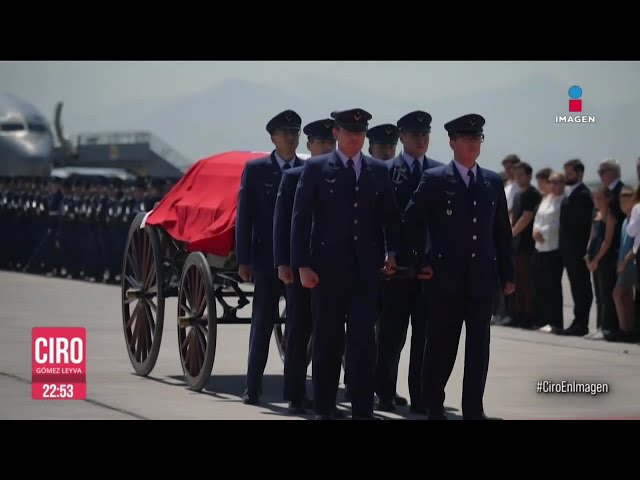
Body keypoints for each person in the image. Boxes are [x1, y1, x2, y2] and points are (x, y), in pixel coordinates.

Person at [290, 108, 400, 420]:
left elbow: (390, 216)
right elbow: (300, 219)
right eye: (349, 132)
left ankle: (362, 408)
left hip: (366, 272)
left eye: (360, 132)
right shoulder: (316, 169)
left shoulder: (378, 171)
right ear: (337, 134)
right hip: (326, 271)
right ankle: (325, 407)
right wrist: (302, 265)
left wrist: (392, 252)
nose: (355, 137)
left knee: (364, 341)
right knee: (327, 340)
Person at [404, 113, 515, 420]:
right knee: (441, 345)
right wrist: (421, 259)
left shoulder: (491, 181)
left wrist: (508, 273)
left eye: (477, 138)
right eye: (466, 138)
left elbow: (501, 232)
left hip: (481, 279)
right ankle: (434, 403)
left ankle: (473, 407)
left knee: (479, 347)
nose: (472, 144)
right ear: (452, 142)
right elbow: (411, 220)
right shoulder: (436, 179)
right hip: (444, 279)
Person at [235, 109, 305, 405]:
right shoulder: (256, 169)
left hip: (297, 259)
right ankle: (253, 387)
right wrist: (243, 259)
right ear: (273, 138)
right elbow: (245, 216)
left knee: (298, 328)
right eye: (285, 134)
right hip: (265, 261)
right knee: (262, 323)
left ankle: (294, 392)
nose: (291, 138)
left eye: (295, 133)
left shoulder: (307, 169)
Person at [375, 110, 442, 414]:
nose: (421, 140)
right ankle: (385, 391)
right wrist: (385, 256)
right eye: (415, 135)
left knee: (425, 339)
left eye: (425, 134)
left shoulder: (441, 172)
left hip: (427, 269)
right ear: (402, 137)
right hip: (395, 269)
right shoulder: (385, 171)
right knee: (391, 336)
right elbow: (379, 220)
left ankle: (421, 396)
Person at [273, 118, 336, 415]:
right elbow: (283, 223)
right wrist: (284, 263)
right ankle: (295, 393)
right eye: (320, 142)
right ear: (309, 145)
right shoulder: (294, 176)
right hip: (300, 267)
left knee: (331, 334)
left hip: (333, 269)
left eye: (330, 142)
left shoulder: (342, 175)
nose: (326, 148)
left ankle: (327, 394)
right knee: (299, 332)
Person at [556, 159, 594, 337]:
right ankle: (577, 322)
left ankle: (581, 323)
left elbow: (583, 225)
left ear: (579, 173)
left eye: (569, 173)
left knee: (581, 288)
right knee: (575, 287)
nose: (566, 176)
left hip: (578, 250)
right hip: (568, 250)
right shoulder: (571, 193)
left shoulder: (584, 195)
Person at [508, 162, 541, 329]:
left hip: (527, 245)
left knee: (526, 282)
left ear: (529, 175)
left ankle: (528, 316)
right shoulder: (517, 195)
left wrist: (510, 233)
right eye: (516, 175)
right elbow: (514, 214)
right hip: (516, 245)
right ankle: (518, 314)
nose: (518, 178)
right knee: (517, 282)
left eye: (521, 175)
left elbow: (526, 218)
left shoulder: (532, 194)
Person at [532, 171, 565, 333]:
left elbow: (556, 224)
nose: (554, 186)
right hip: (540, 246)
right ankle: (542, 319)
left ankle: (555, 321)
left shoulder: (562, 201)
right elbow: (538, 218)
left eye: (558, 182)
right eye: (552, 182)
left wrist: (542, 234)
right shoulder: (546, 199)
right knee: (541, 285)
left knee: (553, 286)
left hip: (553, 245)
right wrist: (535, 231)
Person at [609, 187, 638, 342]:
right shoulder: (626, 220)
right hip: (624, 263)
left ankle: (625, 328)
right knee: (625, 296)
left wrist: (625, 261)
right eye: (621, 201)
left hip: (631, 263)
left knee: (618, 294)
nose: (623, 204)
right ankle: (628, 329)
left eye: (627, 200)